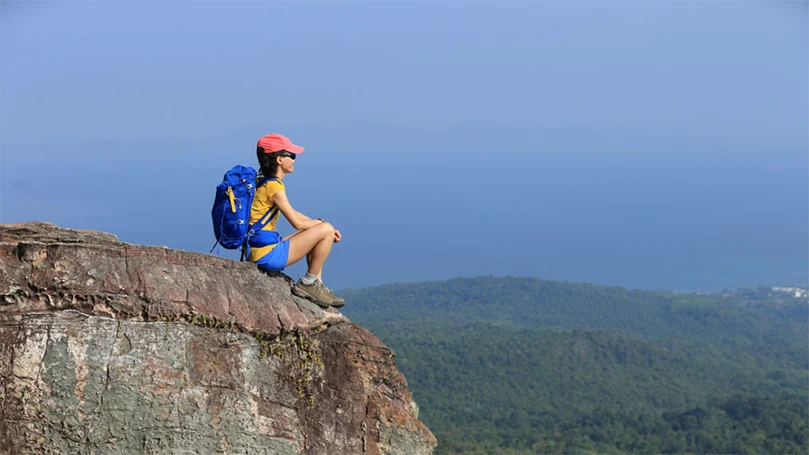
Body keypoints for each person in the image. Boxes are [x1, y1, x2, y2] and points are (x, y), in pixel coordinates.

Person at [247, 133, 345, 308]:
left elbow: (294, 212)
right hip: (268, 255)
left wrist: (319, 224)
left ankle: (317, 284)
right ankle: (309, 283)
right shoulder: (274, 187)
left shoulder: (264, 182)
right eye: (291, 155)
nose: (294, 159)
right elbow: (297, 222)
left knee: (322, 231)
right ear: (279, 159)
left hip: (259, 250)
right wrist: (325, 228)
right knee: (326, 230)